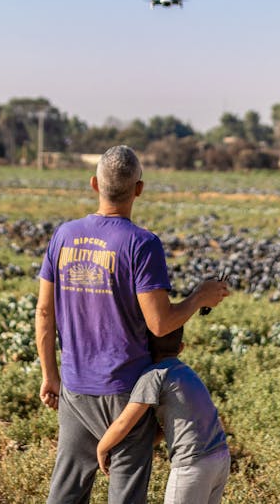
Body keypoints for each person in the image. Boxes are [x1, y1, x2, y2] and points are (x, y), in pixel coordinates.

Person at [36, 145, 229, 504]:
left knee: (64, 494)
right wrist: (198, 298)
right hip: (127, 391)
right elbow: (160, 323)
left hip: (75, 388)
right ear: (138, 189)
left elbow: (45, 313)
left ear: (94, 184)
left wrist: (50, 375)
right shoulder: (142, 244)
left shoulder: (63, 236)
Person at [96, 326, 229, 504]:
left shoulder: (153, 375)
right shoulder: (187, 373)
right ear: (181, 347)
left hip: (192, 465)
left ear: (145, 347)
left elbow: (124, 421)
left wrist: (102, 448)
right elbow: (170, 424)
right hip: (220, 457)